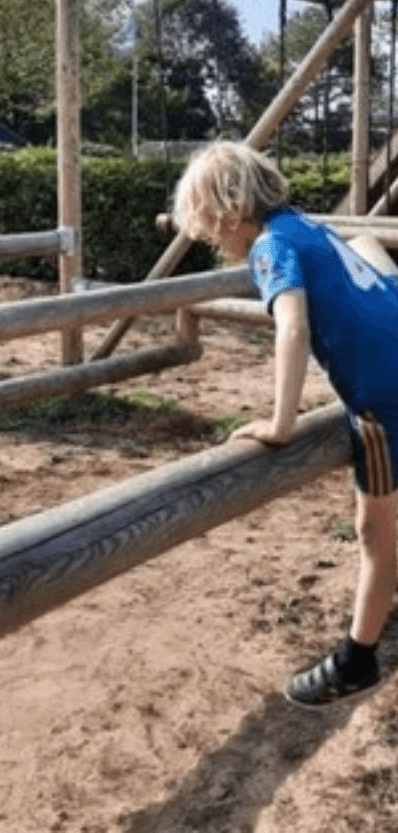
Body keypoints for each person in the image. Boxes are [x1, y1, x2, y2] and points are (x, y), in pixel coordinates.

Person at [173, 140, 398, 708]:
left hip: (382, 401)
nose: (208, 238)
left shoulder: (271, 247)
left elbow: (291, 328)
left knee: (375, 531)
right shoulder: (307, 226)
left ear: (225, 211)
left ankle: (357, 659)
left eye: (205, 225)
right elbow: (368, 244)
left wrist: (280, 423)